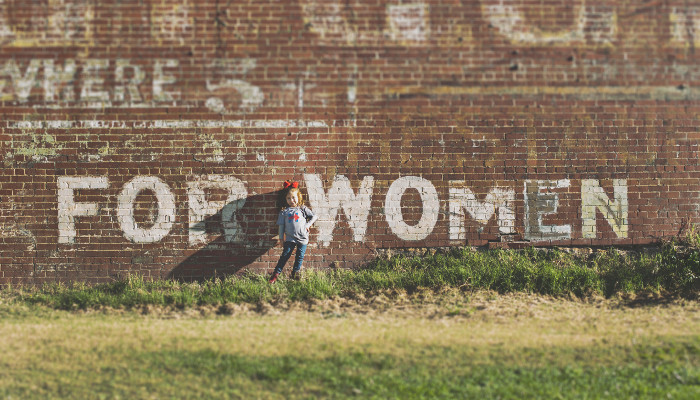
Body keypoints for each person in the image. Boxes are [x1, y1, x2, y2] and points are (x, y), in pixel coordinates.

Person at [269, 180, 318, 283]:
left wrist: (308, 225)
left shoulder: (302, 209)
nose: (291, 200)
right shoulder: (284, 212)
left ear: (298, 197)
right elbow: (281, 226)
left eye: (293, 197)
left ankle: (295, 274)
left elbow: (314, 216)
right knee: (284, 256)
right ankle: (275, 274)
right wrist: (281, 238)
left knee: (299, 257)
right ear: (285, 199)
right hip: (290, 238)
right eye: (288, 198)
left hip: (303, 238)